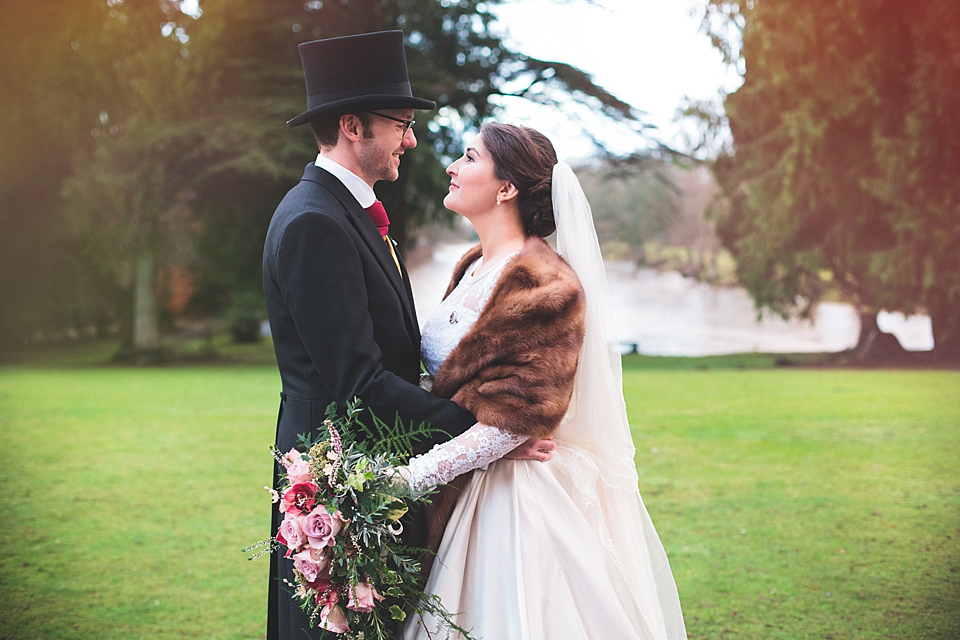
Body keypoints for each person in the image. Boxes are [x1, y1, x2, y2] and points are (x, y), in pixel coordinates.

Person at [261, 33, 554, 640]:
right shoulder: (316, 220)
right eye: (400, 123)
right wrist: (481, 435)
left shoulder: (346, 214)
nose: (412, 140)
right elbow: (360, 379)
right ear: (353, 127)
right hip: (337, 479)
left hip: (375, 466)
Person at [398, 123, 688, 640]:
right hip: (465, 483)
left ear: (506, 188)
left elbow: (516, 418)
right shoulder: (471, 266)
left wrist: (409, 478)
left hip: (512, 503)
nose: (452, 167)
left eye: (469, 157)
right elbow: (453, 379)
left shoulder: (547, 284)